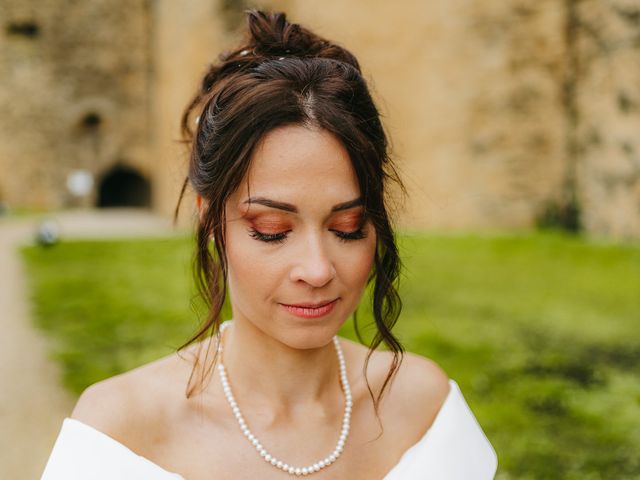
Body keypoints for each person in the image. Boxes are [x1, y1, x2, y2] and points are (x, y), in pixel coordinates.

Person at [41, 9, 497, 479]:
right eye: (273, 230)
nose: (318, 270)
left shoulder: (424, 408)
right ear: (211, 218)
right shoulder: (121, 432)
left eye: (348, 226)